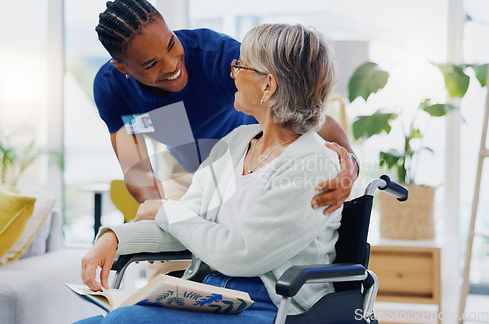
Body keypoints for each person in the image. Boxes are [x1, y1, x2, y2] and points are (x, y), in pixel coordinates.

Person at [79, 22, 342, 323]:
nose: (232, 72)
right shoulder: (235, 144)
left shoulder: (311, 164)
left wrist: (165, 210)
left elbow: (240, 253)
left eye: (240, 66)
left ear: (268, 86)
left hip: (270, 305)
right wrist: (114, 238)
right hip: (215, 294)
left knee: (121, 321)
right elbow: (186, 223)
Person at [93, 0, 359, 214]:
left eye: (172, 44)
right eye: (151, 64)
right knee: (165, 264)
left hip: (247, 164)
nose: (172, 65)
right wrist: (155, 219)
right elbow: (137, 171)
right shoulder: (110, 88)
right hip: (184, 171)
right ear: (122, 67)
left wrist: (351, 167)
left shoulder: (220, 57)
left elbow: (305, 114)